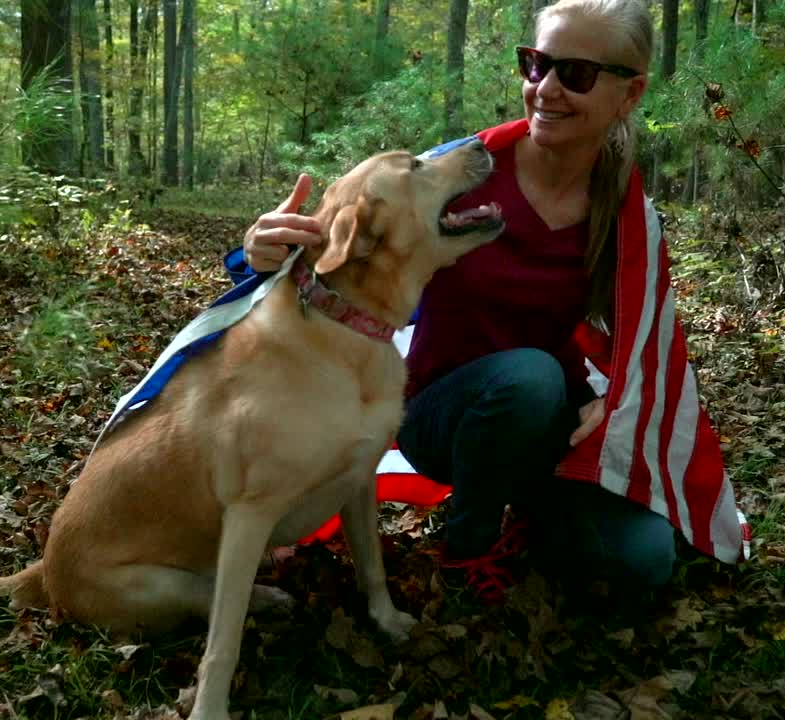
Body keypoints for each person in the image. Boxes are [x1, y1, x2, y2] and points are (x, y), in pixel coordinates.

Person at [241, 0, 746, 602]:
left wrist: (614, 403)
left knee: (642, 564)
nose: (546, 89)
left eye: (575, 74)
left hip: (548, 428)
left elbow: (641, 347)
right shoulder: (462, 169)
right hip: (436, 414)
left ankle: (532, 515)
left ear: (628, 95)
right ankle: (469, 549)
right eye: (536, 65)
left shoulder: (628, 218)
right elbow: (338, 244)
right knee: (525, 377)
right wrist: (259, 249)